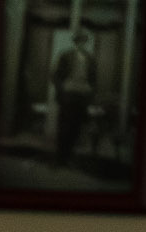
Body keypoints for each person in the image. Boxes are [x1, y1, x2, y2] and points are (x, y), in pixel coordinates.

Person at [51, 27, 98, 166]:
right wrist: (63, 88)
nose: (81, 43)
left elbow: (94, 79)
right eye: (79, 40)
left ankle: (68, 157)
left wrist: (91, 92)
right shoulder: (66, 55)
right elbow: (55, 75)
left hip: (82, 96)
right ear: (75, 41)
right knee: (65, 126)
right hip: (68, 95)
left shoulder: (90, 58)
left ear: (86, 42)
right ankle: (60, 158)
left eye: (84, 40)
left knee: (76, 128)